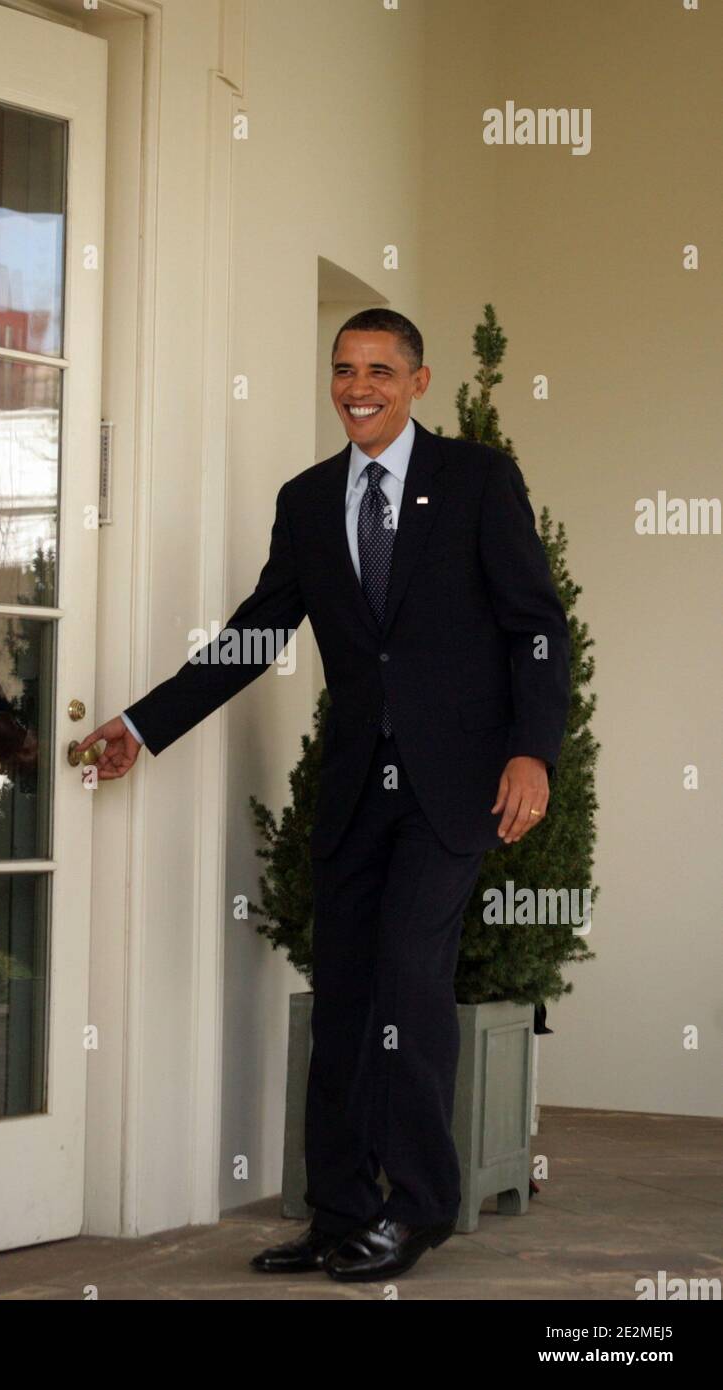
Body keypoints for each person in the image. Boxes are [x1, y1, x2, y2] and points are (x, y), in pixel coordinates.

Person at [77, 308, 570, 1281]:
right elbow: (256, 634)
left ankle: (418, 1206)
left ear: (417, 383)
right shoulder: (305, 501)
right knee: (343, 995)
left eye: (380, 371)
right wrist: (140, 725)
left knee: (406, 980)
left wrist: (531, 753)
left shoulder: (473, 481)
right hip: (349, 792)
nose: (358, 387)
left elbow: (534, 626)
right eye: (343, 369)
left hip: (450, 788)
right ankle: (339, 1212)